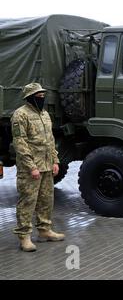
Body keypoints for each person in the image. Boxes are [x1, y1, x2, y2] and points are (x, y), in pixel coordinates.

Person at [11, 82, 65, 252]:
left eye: (43, 95)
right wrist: (31, 166)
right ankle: (24, 236)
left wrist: (55, 161)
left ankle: (44, 230)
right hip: (31, 168)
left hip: (47, 165)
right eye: (38, 96)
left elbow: (50, 140)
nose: (42, 98)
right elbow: (20, 144)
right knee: (28, 201)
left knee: (46, 200)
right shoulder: (20, 115)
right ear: (30, 98)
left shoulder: (45, 115)